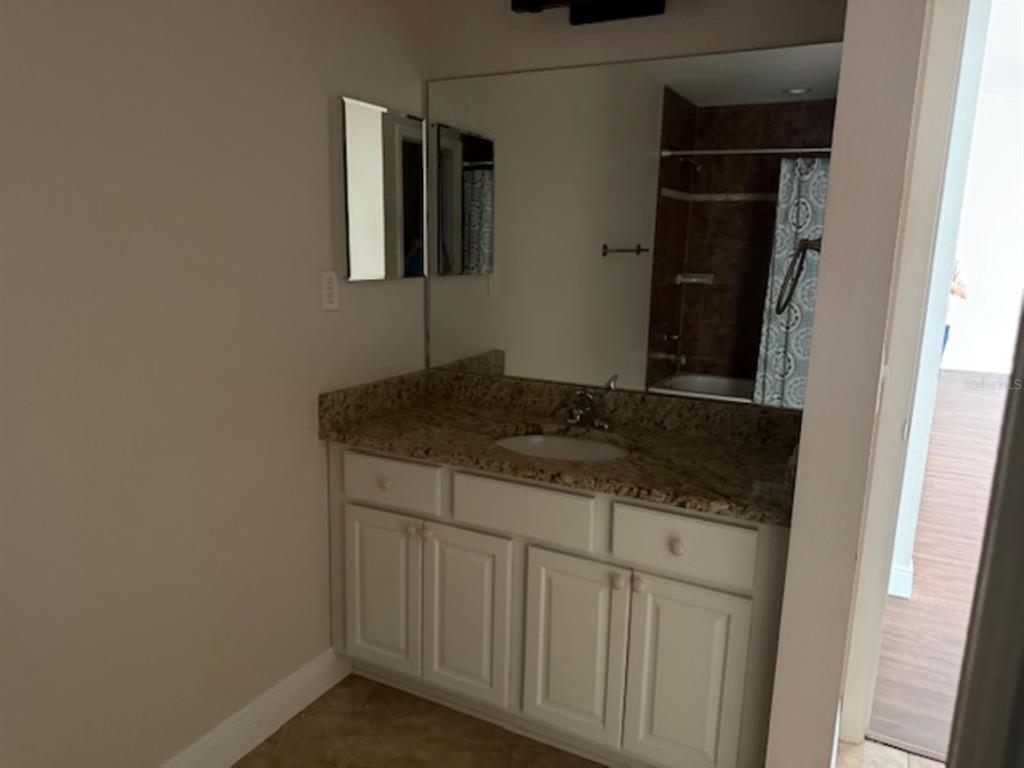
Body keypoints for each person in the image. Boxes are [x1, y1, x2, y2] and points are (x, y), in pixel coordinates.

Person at [944, 258, 968, 355]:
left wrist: (947, 284)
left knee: (935, 359)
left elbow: (964, 293)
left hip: (944, 322)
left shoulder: (954, 262)